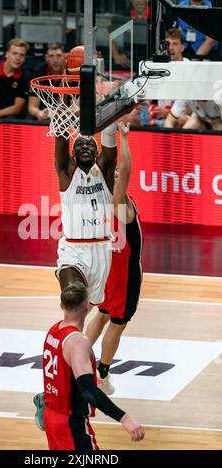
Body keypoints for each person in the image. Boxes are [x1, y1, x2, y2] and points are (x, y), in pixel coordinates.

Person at [35, 282, 144, 450]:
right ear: (87, 306)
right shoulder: (78, 342)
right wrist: (124, 418)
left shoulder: (54, 330)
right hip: (69, 423)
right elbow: (88, 391)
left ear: (61, 306)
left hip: (52, 416)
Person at [85, 122, 143, 395]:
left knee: (104, 312)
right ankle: (102, 375)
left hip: (108, 262)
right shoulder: (117, 199)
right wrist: (124, 136)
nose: (120, 173)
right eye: (115, 173)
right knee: (118, 322)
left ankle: (80, 355)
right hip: (123, 267)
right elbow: (128, 169)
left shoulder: (98, 194)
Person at [55, 122, 117, 307]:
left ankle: (78, 334)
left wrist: (110, 120)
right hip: (73, 250)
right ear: (73, 155)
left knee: (87, 307)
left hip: (101, 250)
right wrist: (61, 113)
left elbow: (110, 143)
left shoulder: (105, 172)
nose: (85, 146)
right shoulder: (66, 173)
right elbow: (61, 138)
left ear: (97, 153)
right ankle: (63, 335)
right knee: (72, 298)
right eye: (79, 145)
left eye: (90, 144)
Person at [0, 38, 31, 120]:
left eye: (22, 55)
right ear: (7, 54)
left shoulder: (26, 76)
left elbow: (17, 108)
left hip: (8, 117)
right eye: (14, 53)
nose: (18, 58)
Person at [28, 43, 66, 120]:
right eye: (51, 56)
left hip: (67, 117)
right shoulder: (38, 72)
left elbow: (76, 108)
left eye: (59, 56)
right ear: (46, 58)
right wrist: (39, 113)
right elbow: (32, 107)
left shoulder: (71, 73)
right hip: (43, 115)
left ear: (65, 56)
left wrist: (56, 113)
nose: (55, 60)